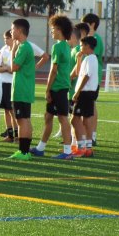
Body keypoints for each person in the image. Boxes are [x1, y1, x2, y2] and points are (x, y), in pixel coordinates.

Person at [30, 15, 74, 159]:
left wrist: (47, 89)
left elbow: (53, 70)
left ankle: (67, 152)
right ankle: (40, 148)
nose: (51, 31)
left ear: (59, 29)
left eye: (53, 28)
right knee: (48, 117)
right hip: (62, 87)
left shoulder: (57, 47)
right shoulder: (67, 46)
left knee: (62, 118)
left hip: (58, 88)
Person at [8, 18, 35, 160]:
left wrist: (13, 49)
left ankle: (23, 152)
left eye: (12, 29)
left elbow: (14, 68)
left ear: (19, 30)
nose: (11, 32)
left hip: (22, 89)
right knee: (25, 119)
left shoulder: (23, 47)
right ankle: (25, 151)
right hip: (25, 89)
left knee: (22, 120)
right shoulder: (26, 46)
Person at [71, 36, 98, 157]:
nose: (80, 47)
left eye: (81, 45)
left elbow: (86, 76)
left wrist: (78, 92)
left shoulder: (91, 58)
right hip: (87, 92)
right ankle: (87, 148)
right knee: (85, 120)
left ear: (87, 46)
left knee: (75, 119)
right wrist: (78, 59)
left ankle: (81, 148)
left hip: (85, 93)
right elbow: (78, 73)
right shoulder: (87, 58)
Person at [82, 13, 103, 146]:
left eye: (85, 24)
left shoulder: (96, 39)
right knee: (86, 107)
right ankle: (85, 135)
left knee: (91, 106)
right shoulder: (87, 38)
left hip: (93, 79)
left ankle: (92, 135)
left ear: (92, 25)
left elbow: (93, 56)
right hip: (86, 78)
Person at [0, 30, 16, 142]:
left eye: (7, 38)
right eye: (4, 38)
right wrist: (6, 68)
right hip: (1, 83)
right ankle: (10, 134)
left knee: (12, 110)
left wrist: (8, 68)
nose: (5, 40)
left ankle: (17, 134)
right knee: (6, 110)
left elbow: (15, 70)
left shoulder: (17, 50)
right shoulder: (4, 49)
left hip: (11, 84)